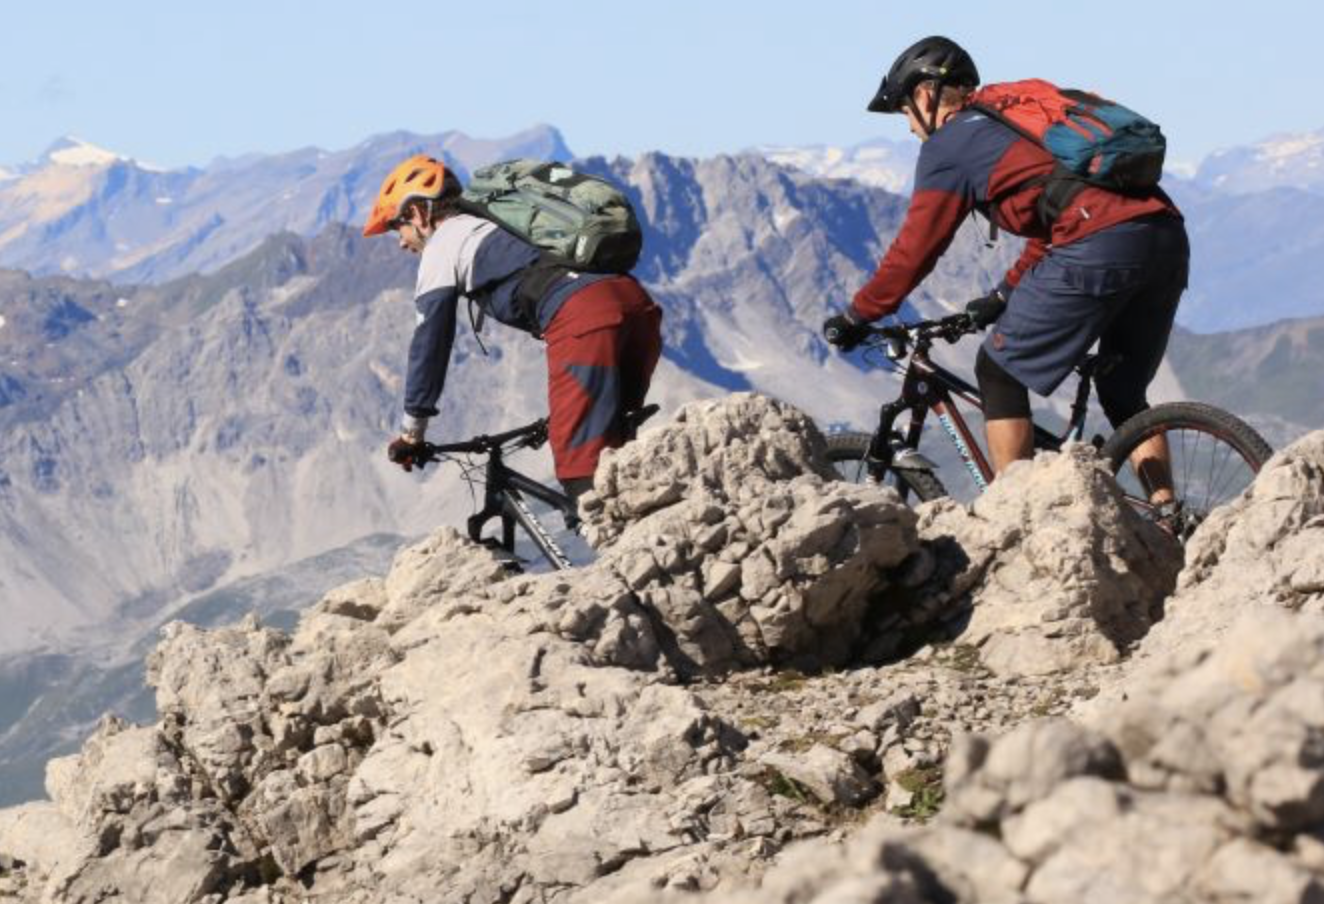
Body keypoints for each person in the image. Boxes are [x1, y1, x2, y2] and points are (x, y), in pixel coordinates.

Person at [823, 36, 1188, 501]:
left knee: (997, 370)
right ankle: (1168, 516)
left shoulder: (950, 146)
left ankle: (1015, 515)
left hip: (1099, 243)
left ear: (923, 95)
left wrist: (858, 315)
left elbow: (915, 248)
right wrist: (1001, 297)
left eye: (904, 115)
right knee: (1122, 392)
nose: (910, 129)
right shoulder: (1012, 119)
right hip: (1164, 235)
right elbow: (1058, 216)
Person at [363, 154, 663, 501]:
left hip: (585, 320)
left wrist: (412, 432)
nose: (400, 242)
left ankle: (627, 552)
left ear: (417, 213)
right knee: (616, 460)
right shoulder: (499, 222)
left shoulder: (443, 245)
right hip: (634, 304)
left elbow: (430, 344)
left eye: (396, 227)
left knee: (582, 478)